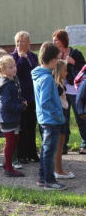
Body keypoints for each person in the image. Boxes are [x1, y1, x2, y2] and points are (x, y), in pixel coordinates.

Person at [32, 42, 67, 191]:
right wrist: (58, 115)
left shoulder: (39, 74)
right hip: (51, 120)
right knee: (49, 151)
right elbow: (46, 102)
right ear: (53, 60)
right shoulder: (46, 79)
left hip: (44, 119)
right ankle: (49, 181)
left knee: (45, 149)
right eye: (58, 59)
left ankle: (42, 177)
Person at [52, 29, 86, 154]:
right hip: (62, 92)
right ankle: (63, 145)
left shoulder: (75, 53)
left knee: (80, 118)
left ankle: (85, 144)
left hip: (76, 91)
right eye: (53, 40)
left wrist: (73, 62)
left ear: (63, 40)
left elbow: (84, 68)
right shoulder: (54, 55)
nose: (54, 42)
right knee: (64, 120)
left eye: (56, 39)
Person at [0, 55, 27, 177]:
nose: (14, 68)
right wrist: (21, 107)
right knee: (10, 141)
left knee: (15, 140)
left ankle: (7, 162)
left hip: (13, 115)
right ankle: (8, 168)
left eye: (14, 66)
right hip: (6, 116)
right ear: (3, 71)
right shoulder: (6, 84)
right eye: (10, 67)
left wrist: (22, 101)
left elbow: (17, 96)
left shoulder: (14, 79)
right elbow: (7, 103)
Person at [11, 31, 39, 163]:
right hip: (20, 97)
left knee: (31, 126)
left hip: (33, 96)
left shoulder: (33, 56)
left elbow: (36, 70)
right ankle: (21, 154)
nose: (19, 44)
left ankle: (32, 153)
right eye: (17, 41)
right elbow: (16, 73)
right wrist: (21, 58)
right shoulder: (13, 57)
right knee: (22, 127)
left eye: (22, 41)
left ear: (28, 43)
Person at [53, 60, 74, 179]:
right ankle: (58, 170)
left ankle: (59, 169)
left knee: (61, 143)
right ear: (59, 71)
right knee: (58, 144)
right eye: (65, 70)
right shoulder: (57, 85)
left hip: (63, 113)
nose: (67, 73)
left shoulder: (60, 83)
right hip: (60, 114)